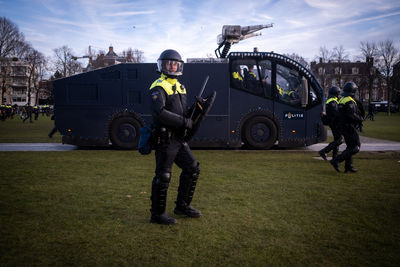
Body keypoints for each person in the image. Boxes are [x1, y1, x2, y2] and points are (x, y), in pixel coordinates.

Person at [148, 49, 201, 225]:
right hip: (165, 139)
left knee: (192, 168)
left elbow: (183, 113)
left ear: (179, 66)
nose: (172, 66)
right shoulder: (158, 86)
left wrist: (196, 108)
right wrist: (184, 122)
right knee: (163, 175)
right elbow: (159, 113)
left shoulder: (180, 86)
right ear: (162, 65)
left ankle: (182, 206)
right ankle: (157, 214)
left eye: (175, 63)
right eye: (169, 63)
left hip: (179, 139)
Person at [330, 82, 364, 173]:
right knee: (356, 147)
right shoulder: (349, 101)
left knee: (350, 147)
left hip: (343, 126)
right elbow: (351, 115)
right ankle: (336, 160)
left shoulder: (341, 100)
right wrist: (360, 119)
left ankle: (348, 167)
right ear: (353, 90)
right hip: (349, 127)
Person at [319, 86, 342, 160]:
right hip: (335, 123)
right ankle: (324, 151)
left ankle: (334, 156)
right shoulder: (332, 101)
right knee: (339, 140)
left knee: (337, 140)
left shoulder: (331, 100)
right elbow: (335, 113)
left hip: (333, 123)